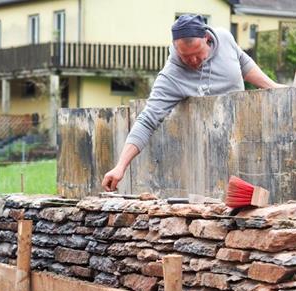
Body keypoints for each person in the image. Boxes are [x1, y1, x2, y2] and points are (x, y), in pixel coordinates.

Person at [102, 14, 285, 191]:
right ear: (175, 46)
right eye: (185, 57)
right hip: (210, 159)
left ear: (207, 38)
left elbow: (243, 62)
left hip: (249, 143)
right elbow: (146, 120)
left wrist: (273, 87)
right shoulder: (171, 77)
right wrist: (120, 166)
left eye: (198, 54)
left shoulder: (224, 37)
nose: (193, 61)